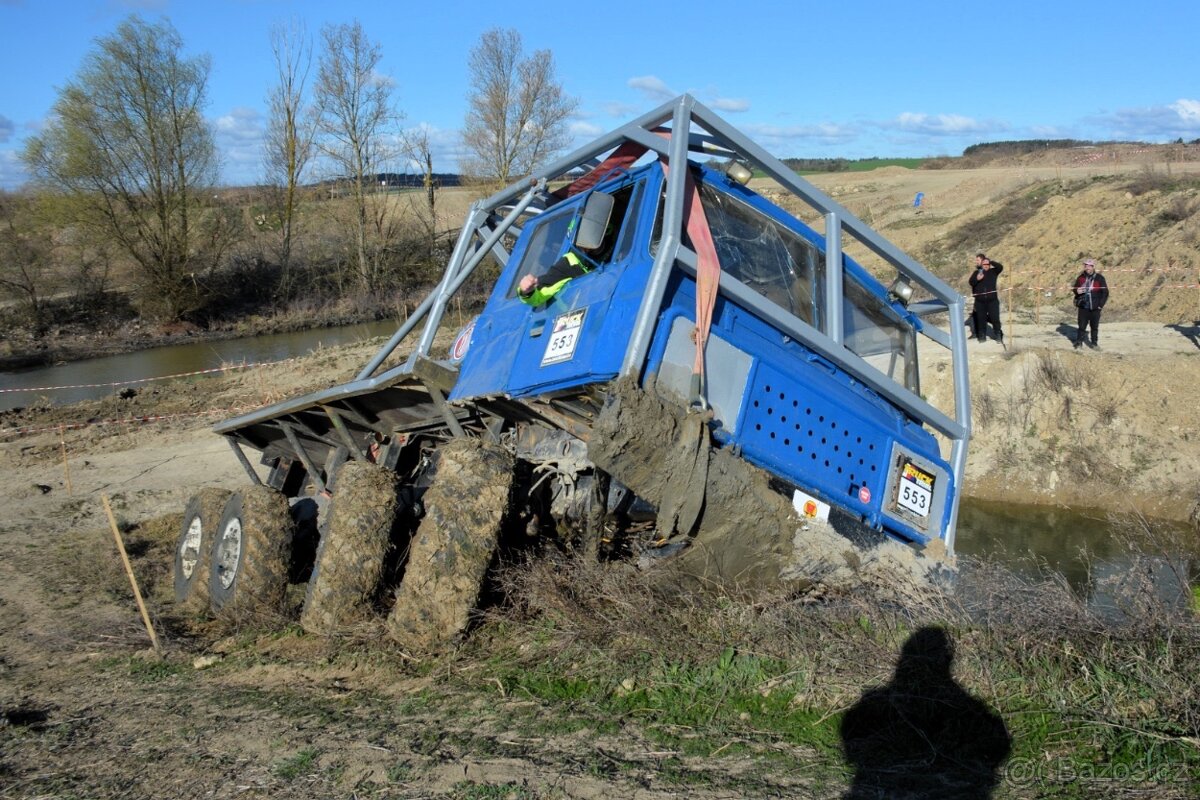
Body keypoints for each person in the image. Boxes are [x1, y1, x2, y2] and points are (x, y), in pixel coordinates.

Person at [1073, 258, 1108, 349]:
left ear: (1093, 267)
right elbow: (1074, 289)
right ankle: (1079, 343)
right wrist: (1077, 291)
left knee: (1094, 327)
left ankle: (1094, 343)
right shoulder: (1081, 278)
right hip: (1083, 306)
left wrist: (1100, 305)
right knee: (1081, 326)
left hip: (1095, 307)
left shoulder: (1100, 278)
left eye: (1089, 266)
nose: (1087, 267)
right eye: (1086, 266)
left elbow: (1105, 293)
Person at [968, 253, 1004, 344]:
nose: (986, 266)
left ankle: (998, 335)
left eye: (987, 264)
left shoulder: (993, 272)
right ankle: (982, 336)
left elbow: (1000, 267)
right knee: (981, 319)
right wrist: (977, 279)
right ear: (982, 265)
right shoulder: (977, 273)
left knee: (995, 318)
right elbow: (971, 282)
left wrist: (990, 261)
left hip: (992, 301)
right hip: (980, 301)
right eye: (984, 264)